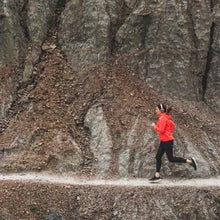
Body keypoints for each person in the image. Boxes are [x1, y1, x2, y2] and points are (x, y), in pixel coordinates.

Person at [149, 104, 197, 182]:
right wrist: (168, 133)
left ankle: (190, 161)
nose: (155, 111)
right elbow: (172, 126)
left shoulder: (162, 118)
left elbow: (161, 130)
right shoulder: (165, 117)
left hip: (167, 141)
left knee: (171, 159)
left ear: (161, 110)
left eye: (156, 109)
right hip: (164, 140)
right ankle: (157, 176)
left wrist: (154, 126)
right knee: (158, 157)